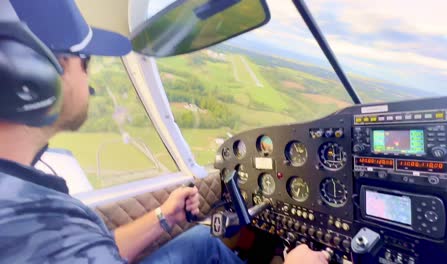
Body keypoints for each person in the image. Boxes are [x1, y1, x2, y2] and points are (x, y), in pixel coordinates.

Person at [0, 0, 329, 263]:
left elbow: (90, 251)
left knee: (203, 241)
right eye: (84, 59)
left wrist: (164, 216)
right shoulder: (29, 220)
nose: (90, 76)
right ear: (30, 76)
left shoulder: (28, 204)